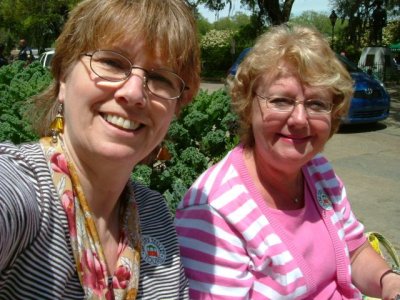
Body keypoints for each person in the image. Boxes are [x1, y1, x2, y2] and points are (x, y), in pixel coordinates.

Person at [175, 25, 400, 299]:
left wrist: (390, 283)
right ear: (248, 105)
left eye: (317, 104)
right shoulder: (214, 211)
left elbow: (355, 252)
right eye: (281, 100)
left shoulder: (318, 172)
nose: (299, 119)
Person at [0, 0, 200, 299]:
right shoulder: (25, 191)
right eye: (112, 63)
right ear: (63, 77)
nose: (133, 93)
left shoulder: (155, 216)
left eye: (159, 78)